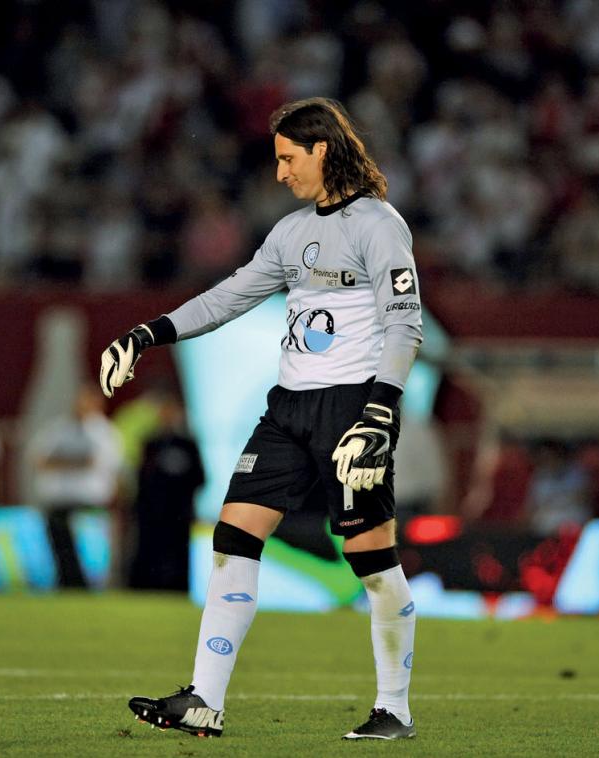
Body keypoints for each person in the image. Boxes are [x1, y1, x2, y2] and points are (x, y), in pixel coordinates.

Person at [100, 98, 422, 740]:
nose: (279, 173)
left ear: (321, 149)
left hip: (352, 407)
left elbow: (405, 324)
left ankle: (395, 708)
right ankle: (203, 699)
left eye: (286, 158)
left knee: (373, 564)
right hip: (287, 410)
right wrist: (146, 334)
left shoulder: (379, 225)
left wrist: (381, 411)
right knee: (233, 536)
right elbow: (229, 297)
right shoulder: (290, 232)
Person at [28, 383, 124, 589]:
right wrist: (77, 462)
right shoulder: (59, 429)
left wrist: (61, 462)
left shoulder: (104, 433)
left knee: (89, 551)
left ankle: (88, 585)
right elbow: (39, 460)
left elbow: (100, 463)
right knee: (61, 548)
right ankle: (67, 583)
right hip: (60, 501)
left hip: (91, 503)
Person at [126, 390, 204, 592]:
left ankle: (179, 589)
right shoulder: (149, 443)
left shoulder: (188, 444)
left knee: (179, 554)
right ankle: (146, 588)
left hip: (179, 513)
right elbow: (141, 478)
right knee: (149, 551)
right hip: (152, 513)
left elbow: (200, 478)